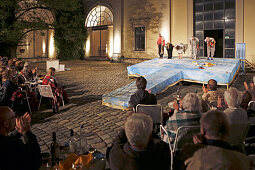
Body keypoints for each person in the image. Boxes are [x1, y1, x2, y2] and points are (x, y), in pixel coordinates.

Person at [174, 110, 249, 170]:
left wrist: (198, 147)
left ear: (203, 130)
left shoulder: (190, 153)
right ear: (227, 131)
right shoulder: (242, 160)